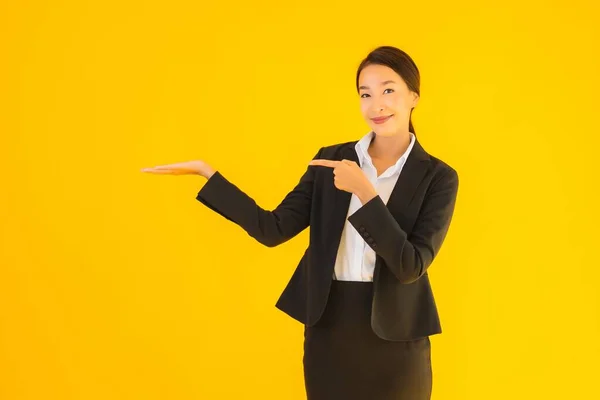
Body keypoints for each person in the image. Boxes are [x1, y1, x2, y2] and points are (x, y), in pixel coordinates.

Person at [142, 45, 459, 400]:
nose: (376, 105)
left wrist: (366, 194)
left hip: (397, 336)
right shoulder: (330, 161)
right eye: (365, 94)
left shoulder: (438, 177)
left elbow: (410, 265)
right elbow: (272, 229)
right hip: (329, 328)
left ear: (414, 95)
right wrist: (208, 174)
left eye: (388, 90)